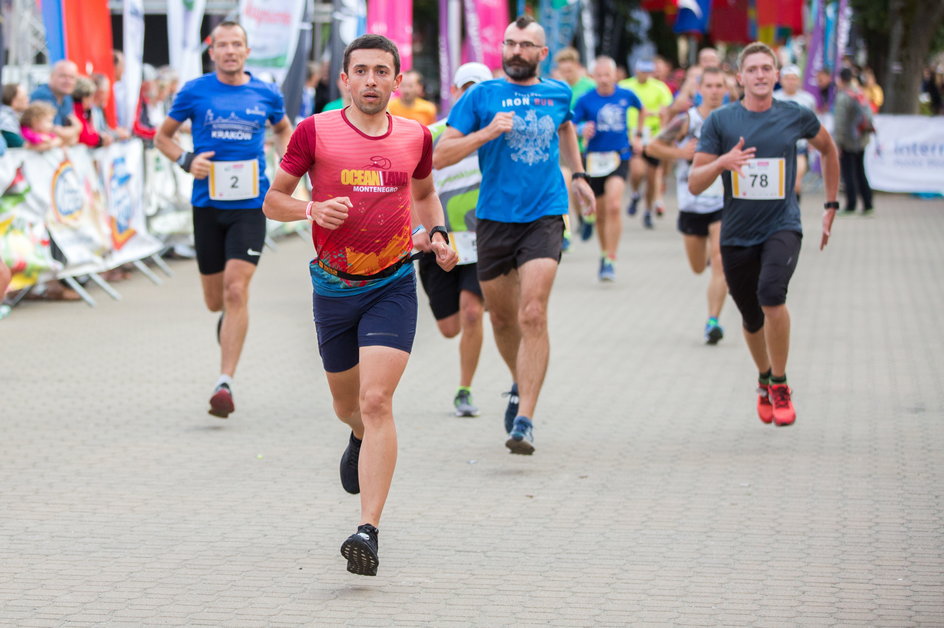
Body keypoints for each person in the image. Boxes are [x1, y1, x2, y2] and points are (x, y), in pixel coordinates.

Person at [263, 34, 458, 576]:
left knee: (377, 401)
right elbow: (272, 199)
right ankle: (354, 435)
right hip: (333, 286)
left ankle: (367, 529)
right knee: (349, 407)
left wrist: (436, 232)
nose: (372, 81)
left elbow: (423, 194)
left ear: (398, 81)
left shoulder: (416, 136)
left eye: (382, 72)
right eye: (362, 71)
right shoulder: (315, 131)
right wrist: (309, 210)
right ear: (343, 80)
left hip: (393, 281)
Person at [434, 15, 595, 454]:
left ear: (542, 54)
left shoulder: (558, 93)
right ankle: (516, 381)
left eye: (526, 45)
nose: (516, 51)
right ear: (501, 49)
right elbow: (441, 155)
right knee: (502, 319)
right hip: (493, 220)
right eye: (510, 43)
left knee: (532, 313)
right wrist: (487, 132)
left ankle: (524, 417)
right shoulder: (482, 97)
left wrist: (578, 174)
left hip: (545, 215)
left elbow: (565, 128)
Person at [689, 42, 840, 427]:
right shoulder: (721, 122)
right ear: (739, 78)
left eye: (766, 68)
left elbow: (828, 149)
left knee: (773, 295)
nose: (759, 74)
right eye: (752, 69)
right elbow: (693, 183)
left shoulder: (795, 115)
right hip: (737, 233)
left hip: (782, 225)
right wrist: (723, 161)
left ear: (776, 75)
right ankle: (763, 377)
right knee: (752, 317)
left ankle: (781, 382)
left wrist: (831, 204)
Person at [156, 21, 292, 419]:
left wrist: (290, 160)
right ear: (211, 51)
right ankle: (228, 321)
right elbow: (162, 137)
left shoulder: (266, 93)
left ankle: (224, 382)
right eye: (222, 45)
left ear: (247, 51)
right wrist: (186, 159)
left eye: (237, 44)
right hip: (208, 205)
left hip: (252, 205)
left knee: (236, 290)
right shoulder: (195, 91)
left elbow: (284, 130)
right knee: (215, 299)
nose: (230, 51)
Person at [420, 62, 492, 416]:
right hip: (440, 241)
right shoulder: (432, 135)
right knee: (449, 328)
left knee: (472, 313)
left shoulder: (498, 135)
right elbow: (410, 188)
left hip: (483, 240)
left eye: (480, 90)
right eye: (466, 89)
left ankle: (464, 389)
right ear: (454, 92)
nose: (471, 97)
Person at [646, 66, 728, 343]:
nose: (715, 91)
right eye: (710, 86)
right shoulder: (686, 121)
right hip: (692, 203)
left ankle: (712, 321)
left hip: (723, 201)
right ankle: (707, 257)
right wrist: (680, 152)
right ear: (700, 90)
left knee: (720, 262)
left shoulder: (733, 119)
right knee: (697, 267)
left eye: (720, 86)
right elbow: (652, 147)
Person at [572, 55, 643, 281]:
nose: (604, 79)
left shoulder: (625, 95)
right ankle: (604, 255)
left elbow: (641, 110)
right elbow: (570, 125)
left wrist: (638, 136)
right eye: (599, 75)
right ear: (593, 77)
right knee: (601, 214)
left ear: (615, 75)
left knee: (614, 205)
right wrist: (582, 128)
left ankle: (612, 256)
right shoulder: (585, 99)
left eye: (608, 75)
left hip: (619, 156)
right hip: (593, 160)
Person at [619, 59, 673, 228]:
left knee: (652, 177)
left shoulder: (659, 87)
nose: (645, 75)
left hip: (653, 137)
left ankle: (648, 210)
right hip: (632, 135)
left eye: (648, 72)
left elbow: (666, 111)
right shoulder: (625, 86)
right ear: (636, 71)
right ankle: (635, 193)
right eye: (642, 71)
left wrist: (661, 127)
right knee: (636, 172)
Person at [833, 67, 875, 215]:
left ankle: (851, 205)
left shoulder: (843, 96)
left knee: (849, 173)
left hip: (848, 141)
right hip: (861, 139)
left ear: (840, 79)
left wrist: (837, 142)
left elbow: (840, 121)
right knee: (861, 171)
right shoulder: (860, 93)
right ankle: (868, 204)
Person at [773, 64, 817, 204]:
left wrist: (813, 142)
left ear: (798, 81)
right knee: (780, 183)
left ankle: (795, 209)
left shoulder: (808, 99)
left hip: (799, 147)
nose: (790, 82)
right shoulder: (773, 98)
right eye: (787, 78)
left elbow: (814, 124)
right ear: (781, 80)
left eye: (794, 78)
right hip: (778, 147)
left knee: (796, 183)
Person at [29, 60, 81, 145]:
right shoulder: (43, 95)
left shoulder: (67, 98)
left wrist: (70, 133)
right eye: (63, 76)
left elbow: (74, 138)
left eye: (72, 77)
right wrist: (77, 128)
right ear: (51, 76)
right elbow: (51, 132)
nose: (68, 81)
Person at [72, 77, 113, 148]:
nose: (91, 100)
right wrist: (100, 139)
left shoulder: (84, 111)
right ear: (84, 98)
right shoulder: (76, 110)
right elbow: (85, 137)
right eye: (90, 97)